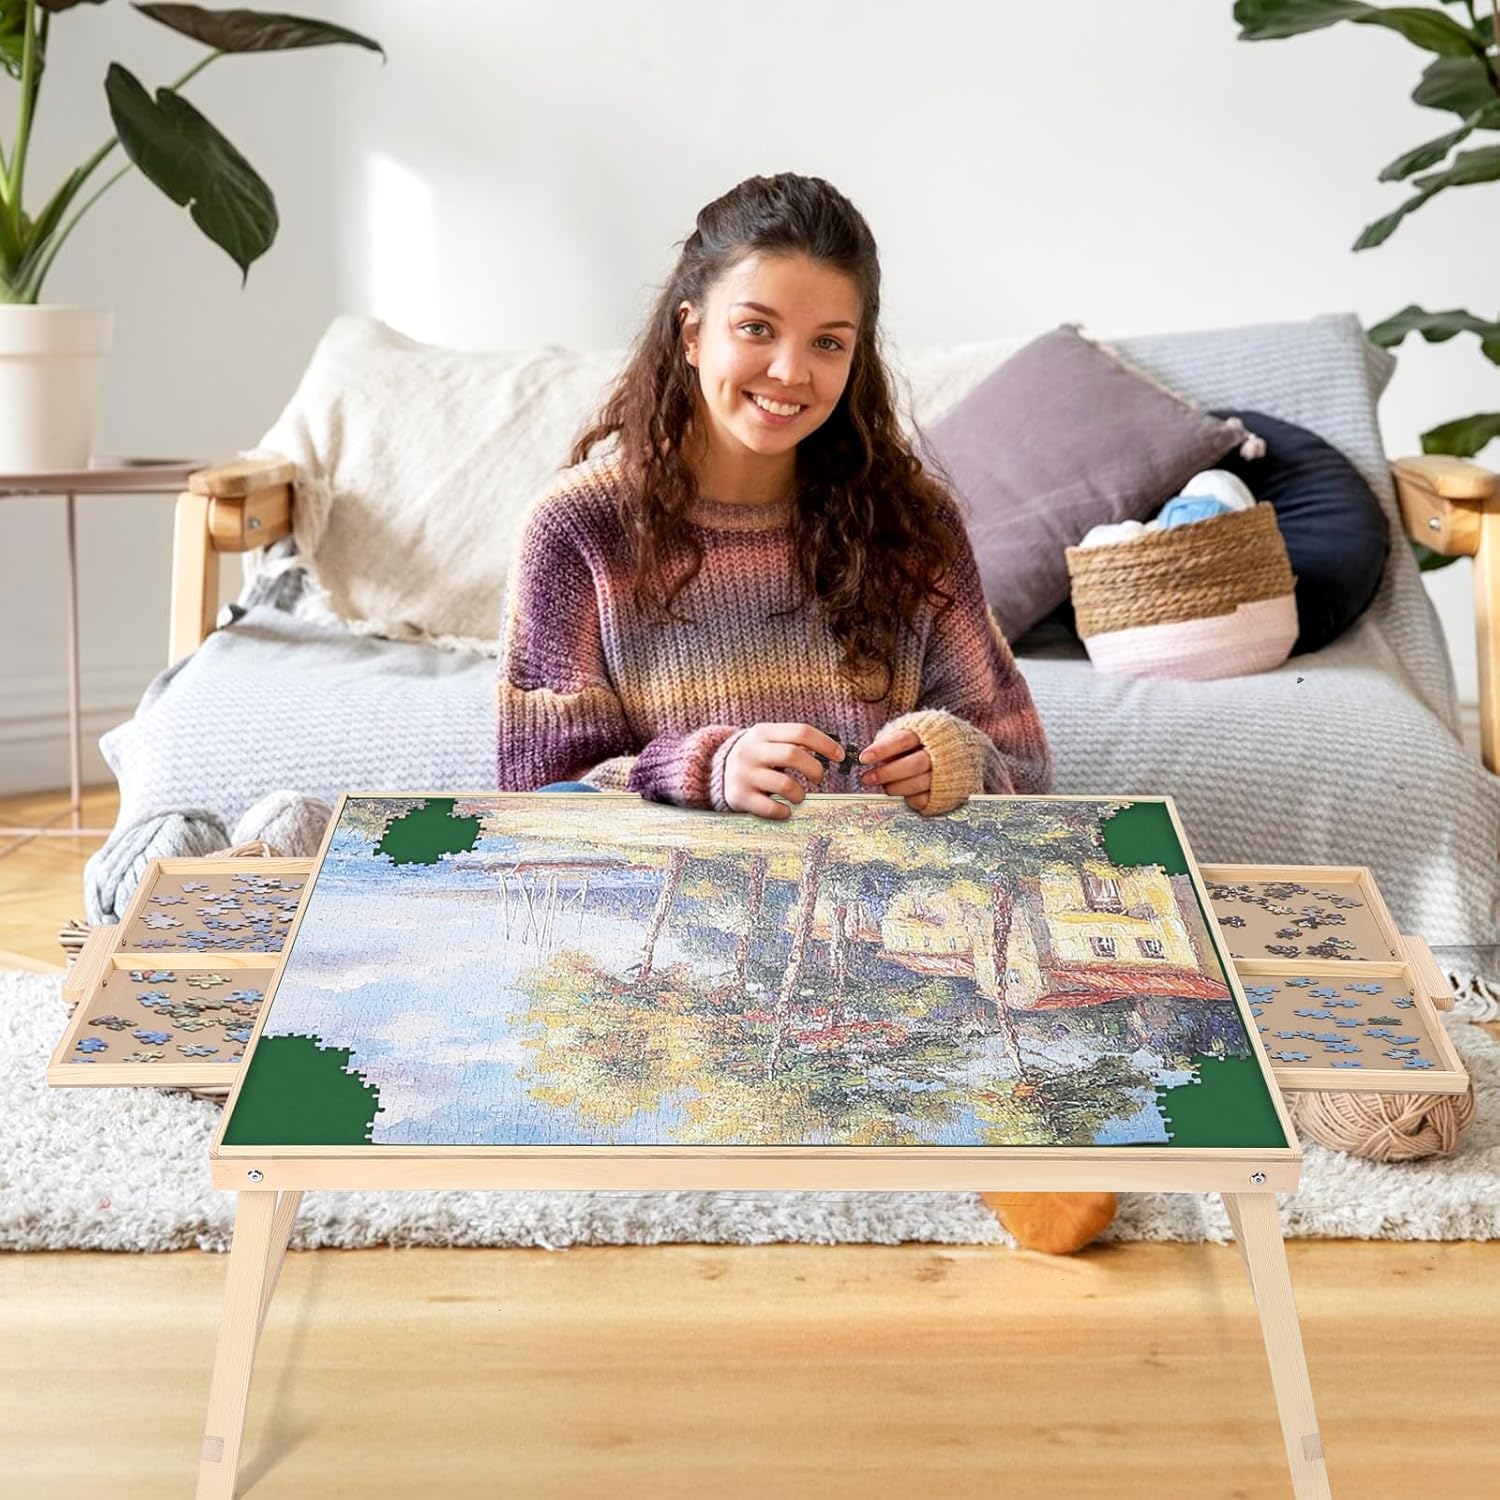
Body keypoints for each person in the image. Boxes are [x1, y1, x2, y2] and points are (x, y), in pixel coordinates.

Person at [497, 172, 1112, 1253]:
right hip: (676, 926)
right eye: (757, 329)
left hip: (890, 923)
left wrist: (954, 756)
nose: (792, 372)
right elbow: (533, 804)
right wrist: (699, 768)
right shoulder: (578, 531)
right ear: (690, 332)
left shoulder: (910, 520)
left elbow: (1022, 758)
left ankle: (952, 1124)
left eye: (831, 342)